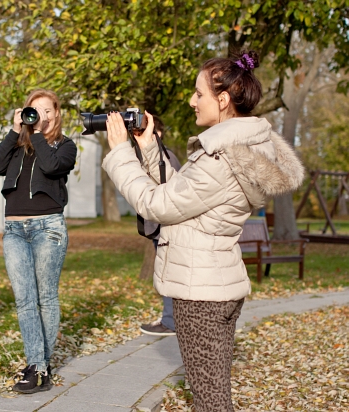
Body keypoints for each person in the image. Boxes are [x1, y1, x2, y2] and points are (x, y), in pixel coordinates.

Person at [102, 51, 304, 411]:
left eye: (199, 94)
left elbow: (157, 205)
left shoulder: (219, 157)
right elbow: (184, 194)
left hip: (200, 295)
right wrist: (149, 148)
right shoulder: (236, 150)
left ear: (222, 100)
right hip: (219, 284)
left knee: (210, 402)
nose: (192, 101)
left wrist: (120, 153)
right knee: (214, 394)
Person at [0, 89, 77, 394]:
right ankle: (38, 366)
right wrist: (15, 131)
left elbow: (53, 167)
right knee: (24, 300)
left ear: (56, 114)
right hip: (14, 230)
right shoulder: (17, 144)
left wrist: (37, 134)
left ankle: (38, 367)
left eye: (47, 110)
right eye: (33, 110)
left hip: (47, 228)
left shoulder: (65, 146)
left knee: (46, 299)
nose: (40, 115)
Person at [137, 115, 181, 337]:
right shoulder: (161, 158)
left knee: (167, 274)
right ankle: (171, 319)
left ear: (158, 134)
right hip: (158, 226)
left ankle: (170, 321)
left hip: (165, 227)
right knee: (167, 273)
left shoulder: (165, 159)